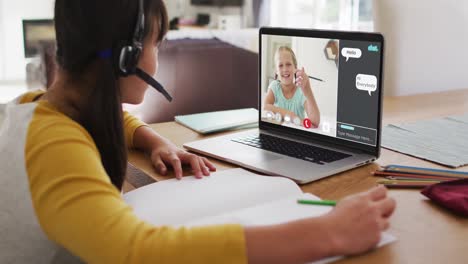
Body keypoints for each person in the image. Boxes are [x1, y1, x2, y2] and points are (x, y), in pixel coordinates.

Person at [0, 0, 396, 263]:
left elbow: (103, 117)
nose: (157, 58)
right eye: (158, 43)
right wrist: (328, 233)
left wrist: (152, 139)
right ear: (128, 56)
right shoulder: (55, 146)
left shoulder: (39, 108)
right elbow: (136, 253)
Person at [264, 46, 321, 128]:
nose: (285, 69)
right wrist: (290, 115)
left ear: (295, 68)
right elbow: (265, 107)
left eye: (288, 64)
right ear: (276, 71)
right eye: (280, 65)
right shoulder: (275, 86)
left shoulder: (301, 91)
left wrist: (307, 88)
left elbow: (315, 122)